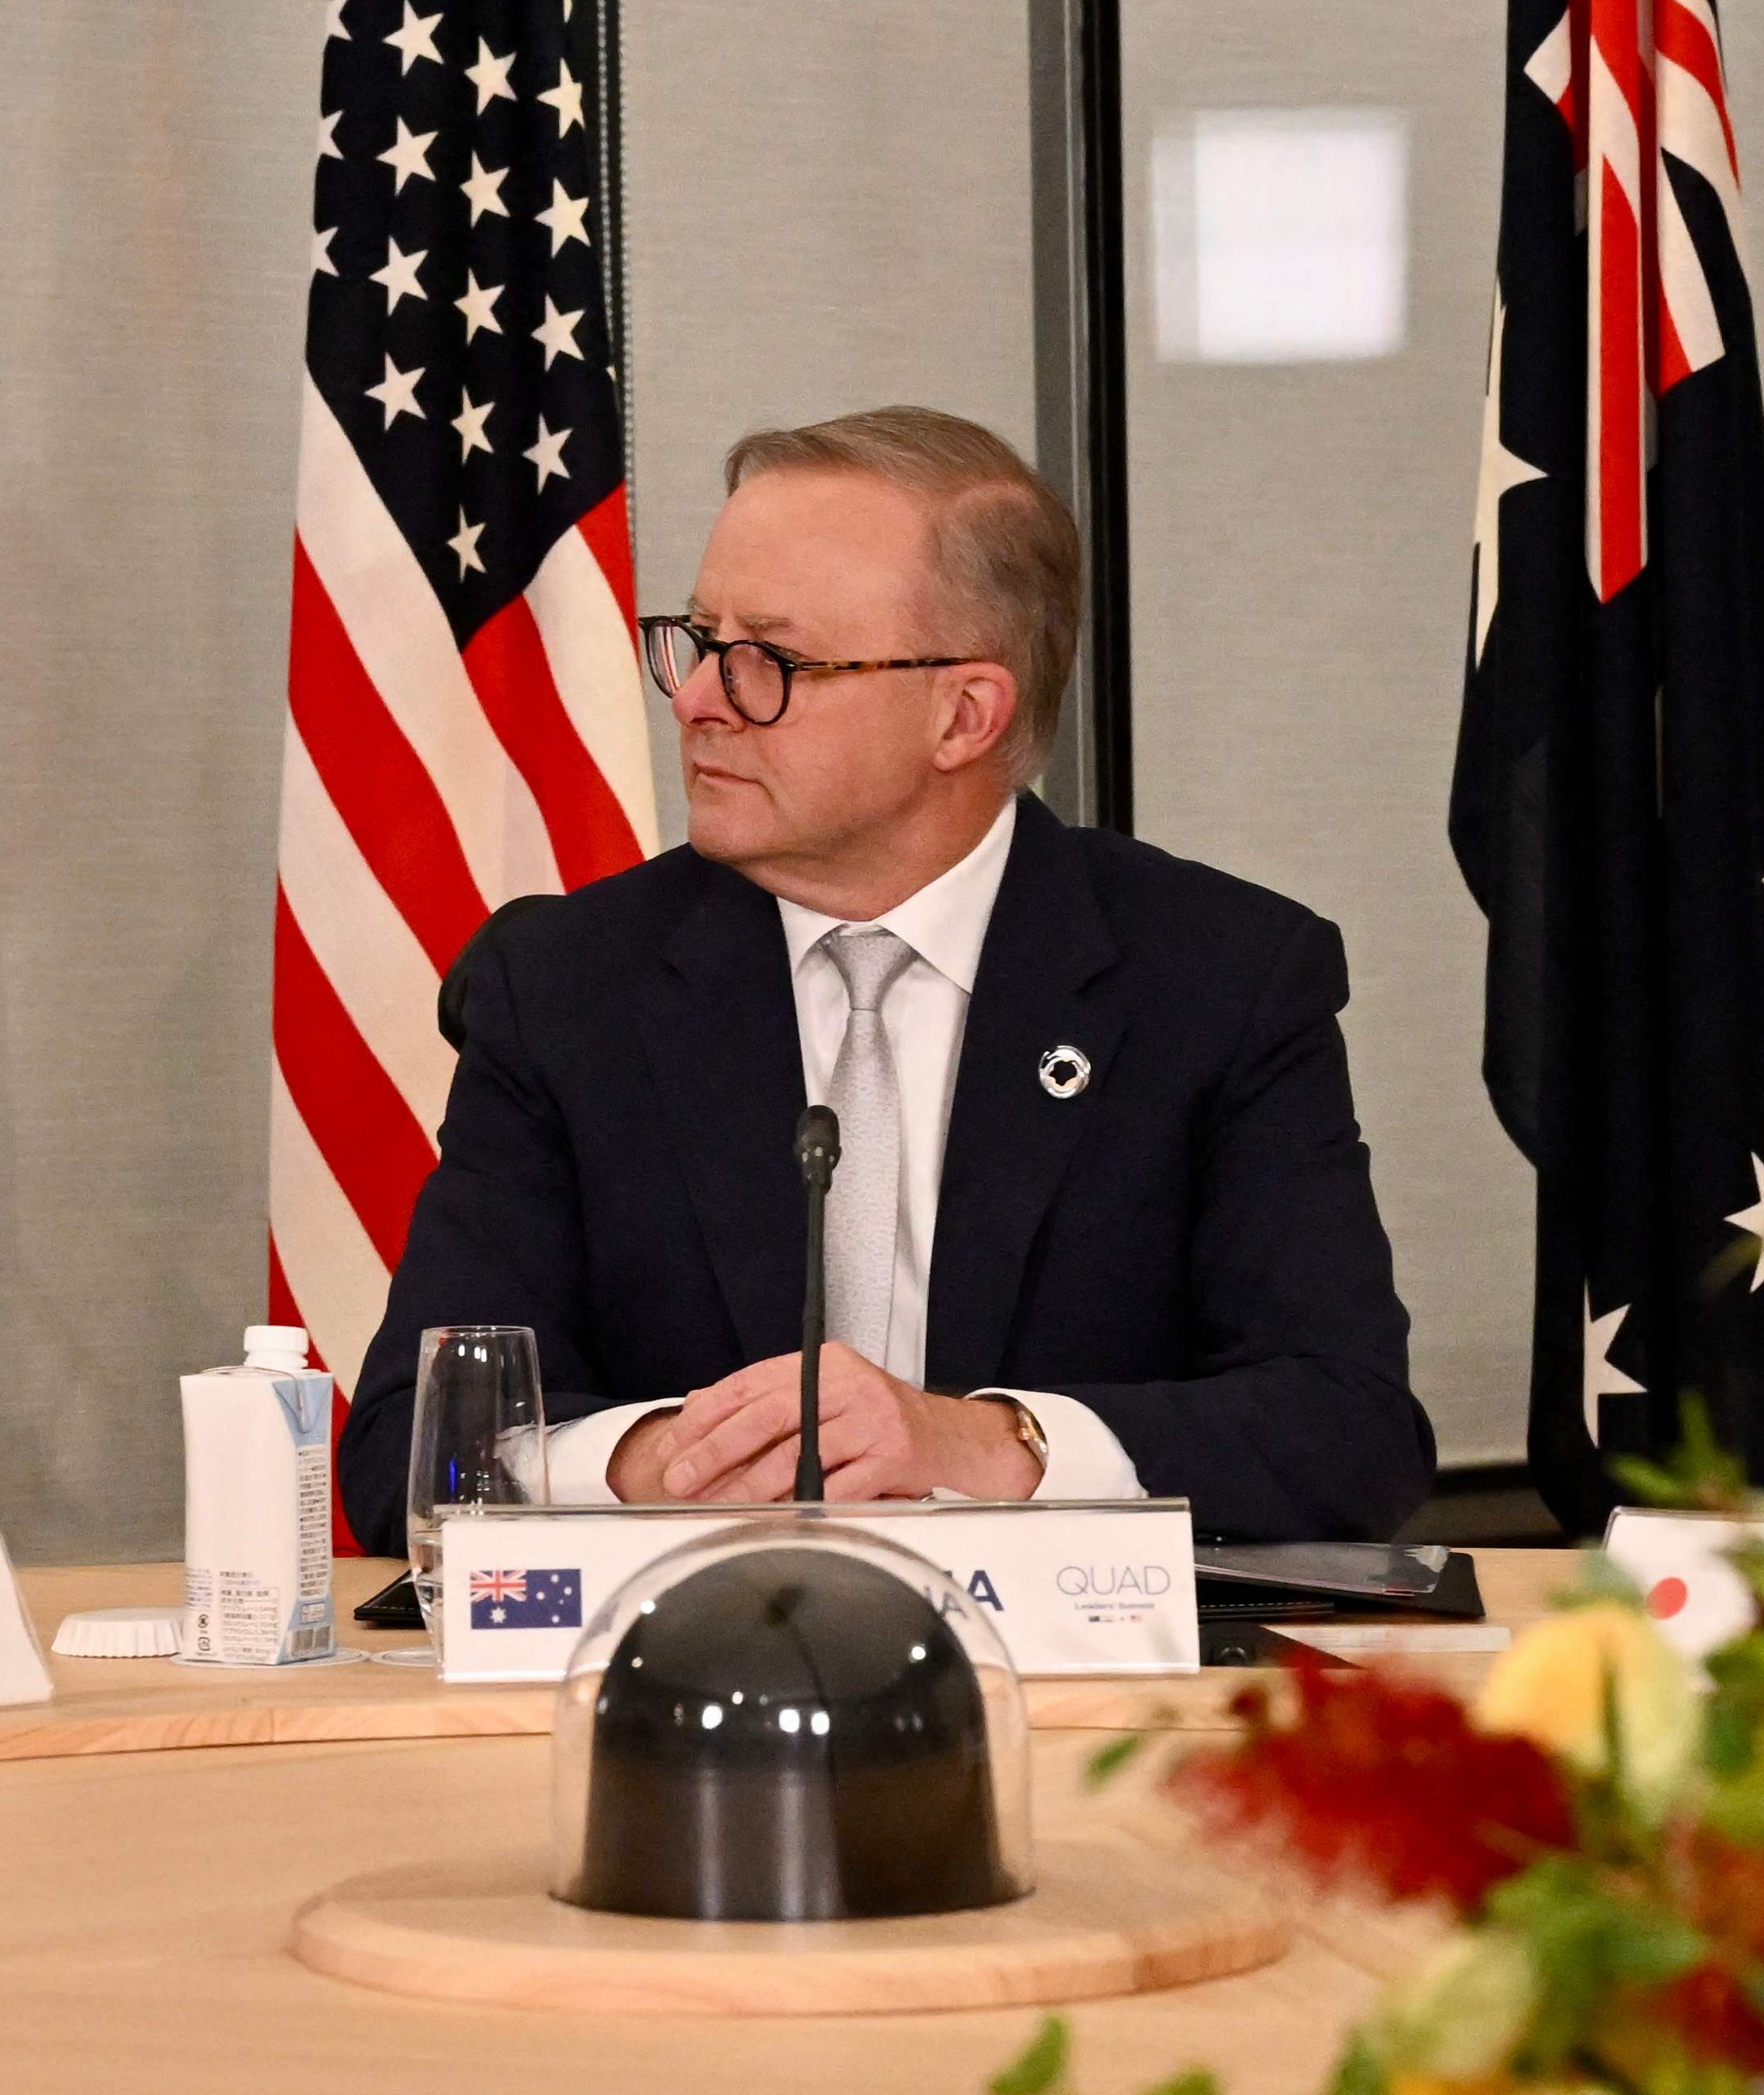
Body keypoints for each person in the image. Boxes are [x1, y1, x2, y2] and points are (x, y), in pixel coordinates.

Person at [332, 407, 1431, 1550]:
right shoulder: (566, 987)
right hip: (686, 1677)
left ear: (963, 713)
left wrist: (987, 1444)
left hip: (1079, 1698)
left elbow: (1347, 1434)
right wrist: (650, 1457)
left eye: (770, 660)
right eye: (698, 638)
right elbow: (413, 1443)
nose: (698, 696)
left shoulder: (1218, 979)